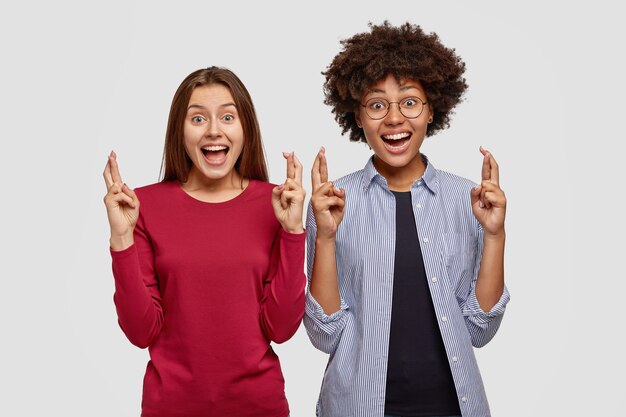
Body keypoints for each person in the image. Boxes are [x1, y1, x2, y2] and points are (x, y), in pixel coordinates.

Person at [304, 22, 510, 417]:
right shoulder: (331, 204)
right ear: (358, 117)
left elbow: (480, 329)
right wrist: (326, 237)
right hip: (357, 406)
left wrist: (495, 235)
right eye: (377, 105)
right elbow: (324, 334)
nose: (394, 118)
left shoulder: (466, 199)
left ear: (432, 108)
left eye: (410, 102)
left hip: (453, 406)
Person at [102, 67, 306, 417]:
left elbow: (282, 328)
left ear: (246, 130)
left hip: (259, 406)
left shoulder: (276, 202)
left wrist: (292, 233)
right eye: (198, 118)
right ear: (179, 132)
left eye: (228, 116)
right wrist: (121, 239)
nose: (214, 130)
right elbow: (140, 332)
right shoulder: (143, 206)